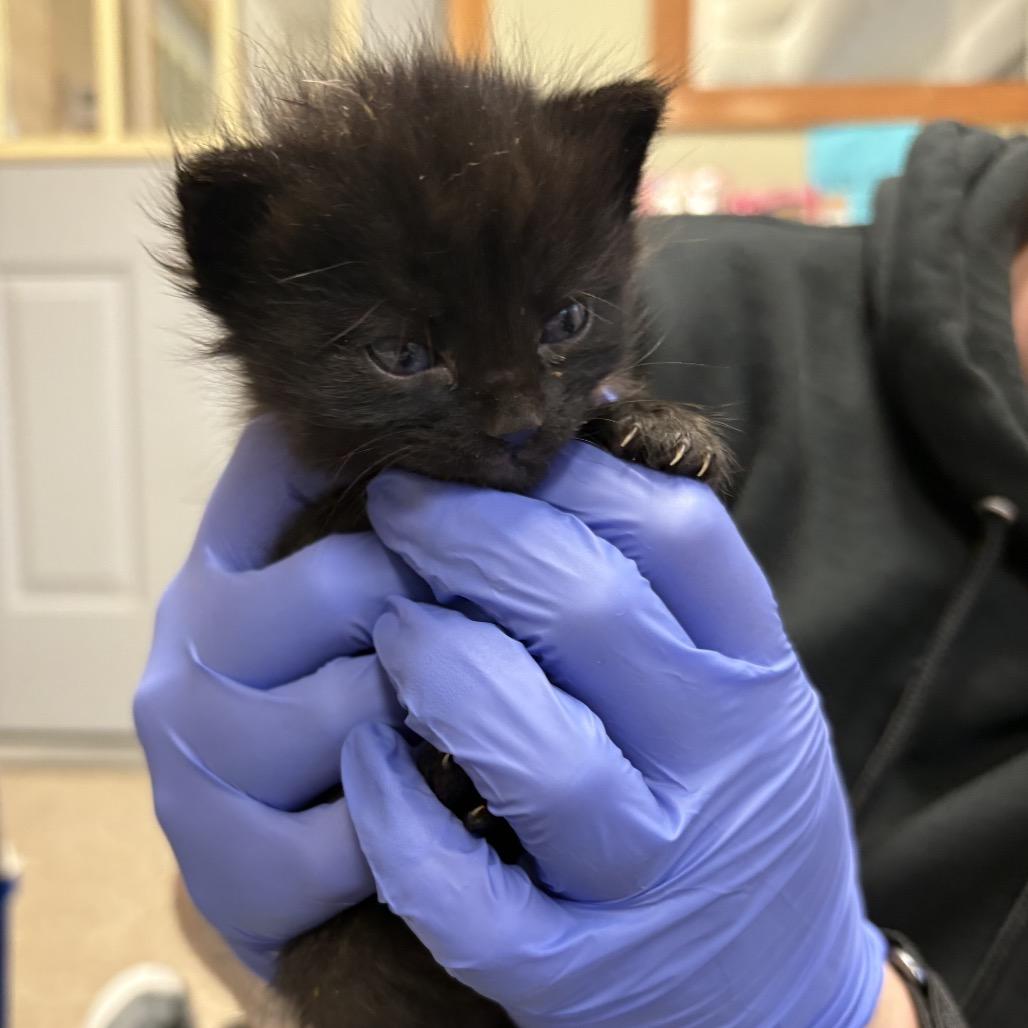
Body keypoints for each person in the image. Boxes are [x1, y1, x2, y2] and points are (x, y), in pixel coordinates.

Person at [133, 119, 1028, 1026]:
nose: (520, 413)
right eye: (407, 354)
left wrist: (853, 1009)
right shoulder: (707, 297)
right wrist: (252, 878)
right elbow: (226, 881)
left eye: (560, 326)